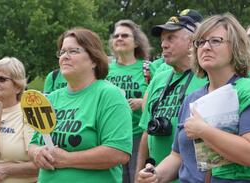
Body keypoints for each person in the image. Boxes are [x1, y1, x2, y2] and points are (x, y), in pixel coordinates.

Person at [137, 13, 250, 183]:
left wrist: (203, 131)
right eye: (201, 42)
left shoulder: (245, 91)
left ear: (235, 46)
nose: (205, 47)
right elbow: (177, 156)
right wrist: (156, 175)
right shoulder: (192, 98)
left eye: (215, 41)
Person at [29, 28, 133, 183]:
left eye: (73, 51)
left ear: (94, 60)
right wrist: (37, 152)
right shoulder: (52, 98)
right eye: (62, 52)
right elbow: (34, 143)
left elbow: (118, 152)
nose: (65, 56)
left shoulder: (109, 95)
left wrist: (67, 159)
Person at [135, 9, 207, 182]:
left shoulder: (208, 76)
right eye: (162, 40)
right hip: (157, 175)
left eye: (170, 38)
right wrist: (138, 175)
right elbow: (146, 133)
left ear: (191, 42)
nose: (163, 45)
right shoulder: (159, 78)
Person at [106, 19, 151, 183]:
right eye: (116, 35)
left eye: (125, 35)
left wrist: (141, 102)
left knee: (137, 178)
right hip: (111, 136)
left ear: (136, 42)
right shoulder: (105, 70)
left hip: (138, 136)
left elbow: (158, 98)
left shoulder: (147, 68)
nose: (119, 38)